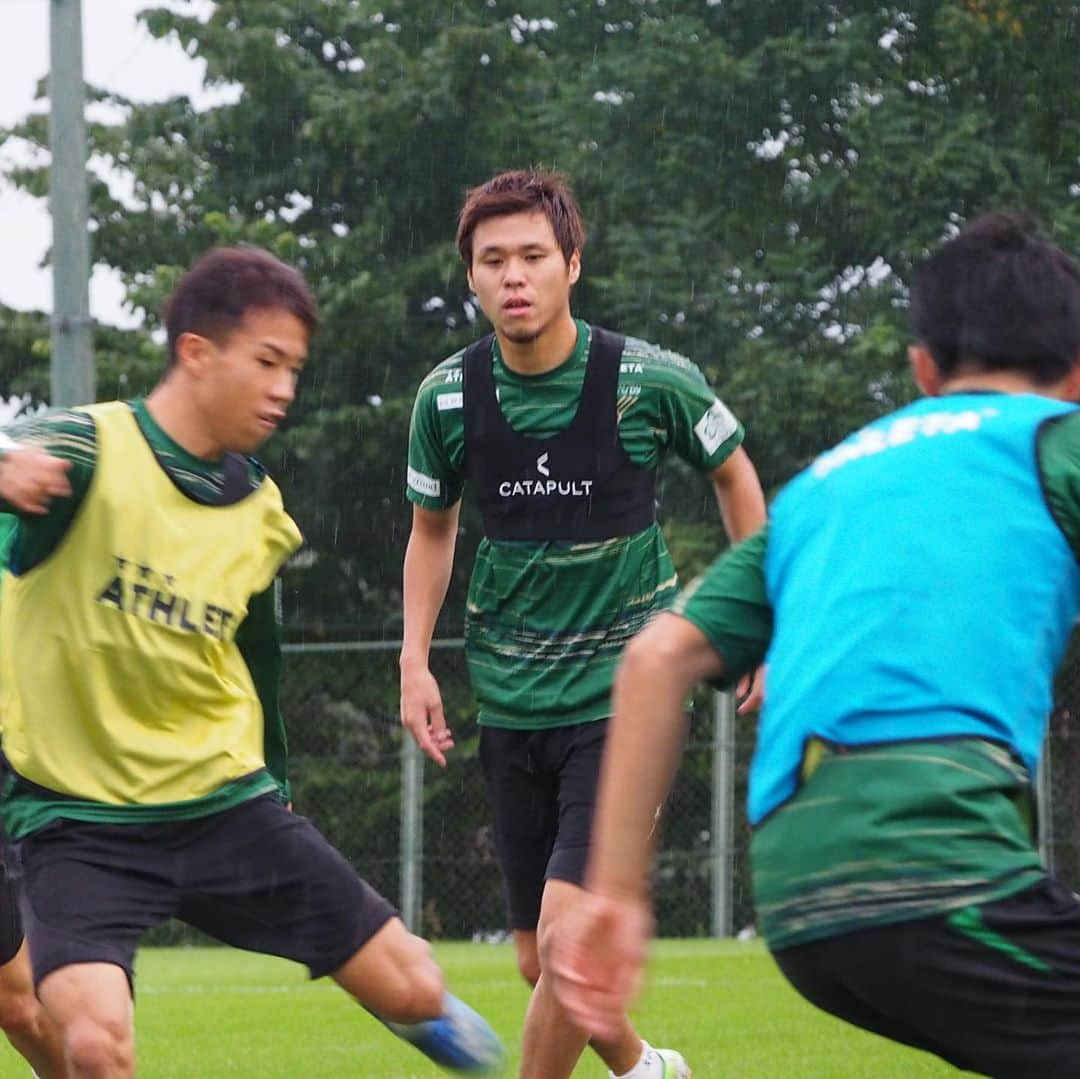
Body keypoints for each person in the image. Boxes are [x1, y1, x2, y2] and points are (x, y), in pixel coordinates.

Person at [549, 212, 1080, 1078]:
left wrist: (614, 895)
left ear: (922, 367)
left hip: (800, 906)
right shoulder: (1057, 444)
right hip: (941, 875)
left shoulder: (824, 483)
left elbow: (653, 659)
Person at [0, 246, 503, 1079]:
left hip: (226, 805)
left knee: (415, 989)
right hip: (80, 823)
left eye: (294, 369)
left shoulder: (259, 507)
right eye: (267, 362)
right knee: (93, 1045)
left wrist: (276, 775)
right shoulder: (84, 450)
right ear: (197, 352)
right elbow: (20, 450)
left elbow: (255, 658)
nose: (284, 390)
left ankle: (429, 1018)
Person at [400, 169, 766, 1079]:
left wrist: (755, 615)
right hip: (513, 700)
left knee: (566, 939)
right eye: (493, 261)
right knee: (538, 957)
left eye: (532, 255)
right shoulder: (444, 399)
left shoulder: (650, 381)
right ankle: (645, 1068)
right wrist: (413, 659)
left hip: (626, 696)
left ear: (572, 262)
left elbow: (734, 472)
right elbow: (431, 534)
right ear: (472, 279)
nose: (513, 276)